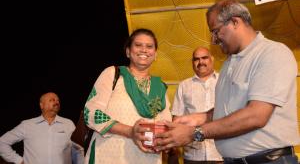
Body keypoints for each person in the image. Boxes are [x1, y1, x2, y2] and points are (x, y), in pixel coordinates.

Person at [154, 0, 300, 164]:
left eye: (215, 31)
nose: (214, 40)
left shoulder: (271, 53)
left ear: (235, 22)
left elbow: (256, 115)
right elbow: (232, 110)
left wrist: (194, 132)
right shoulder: (228, 64)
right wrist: (200, 118)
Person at [83, 28, 172, 164]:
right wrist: (130, 131)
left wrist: (166, 139)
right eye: (138, 45)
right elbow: (91, 113)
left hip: (146, 158)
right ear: (128, 52)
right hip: (109, 155)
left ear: (155, 55)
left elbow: (165, 123)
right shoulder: (113, 74)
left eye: (149, 46)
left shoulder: (160, 86)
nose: (144, 50)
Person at [0, 92, 84, 164]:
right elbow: (2, 142)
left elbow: (77, 150)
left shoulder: (68, 124)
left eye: (58, 100)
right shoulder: (27, 125)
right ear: (41, 105)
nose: (56, 102)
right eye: (52, 100)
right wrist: (19, 161)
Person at [171, 46, 222, 164]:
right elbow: (176, 120)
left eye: (204, 58)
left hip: (221, 154)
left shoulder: (224, 81)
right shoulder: (184, 86)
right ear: (192, 62)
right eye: (196, 59)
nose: (201, 62)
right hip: (193, 156)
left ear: (212, 59)